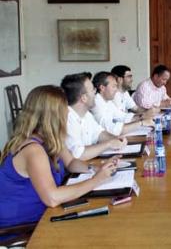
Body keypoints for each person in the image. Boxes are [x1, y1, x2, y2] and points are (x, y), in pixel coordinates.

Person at [0, 85, 119, 230]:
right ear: (52, 116)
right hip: (25, 227)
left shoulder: (49, 139)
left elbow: (71, 163)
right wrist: (96, 180)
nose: (67, 115)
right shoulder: (33, 150)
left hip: (46, 215)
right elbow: (52, 198)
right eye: (64, 111)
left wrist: (96, 168)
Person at [61, 73, 127, 160]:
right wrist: (109, 143)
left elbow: (99, 133)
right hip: (77, 171)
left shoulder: (86, 114)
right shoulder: (67, 119)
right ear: (84, 98)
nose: (95, 94)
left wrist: (116, 139)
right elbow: (79, 155)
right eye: (93, 90)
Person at [91, 72, 143, 136]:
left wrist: (142, 117)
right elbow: (110, 130)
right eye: (114, 86)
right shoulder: (95, 103)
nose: (116, 90)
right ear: (102, 88)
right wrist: (141, 123)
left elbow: (122, 116)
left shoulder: (107, 101)